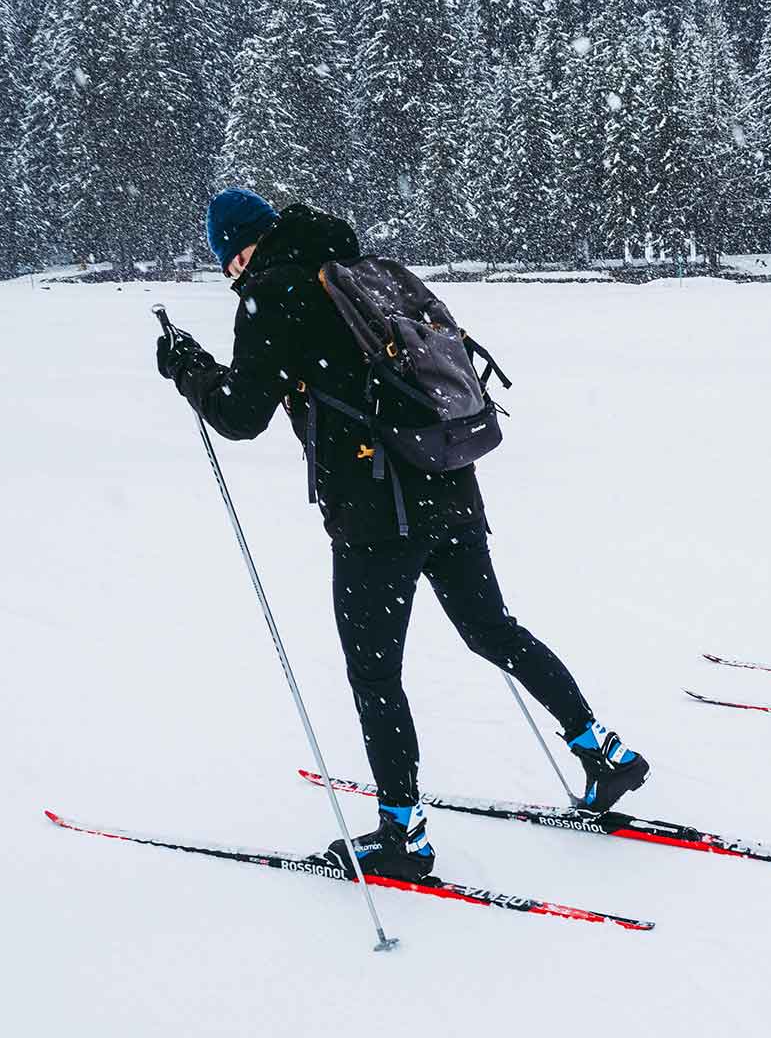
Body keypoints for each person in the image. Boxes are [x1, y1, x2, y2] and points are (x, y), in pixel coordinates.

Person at [155, 187, 649, 882]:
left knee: (374, 674)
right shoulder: (357, 268)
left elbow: (241, 415)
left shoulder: (274, 290)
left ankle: (402, 838)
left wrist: (188, 369)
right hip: (446, 475)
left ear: (237, 250)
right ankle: (603, 752)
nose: (231, 276)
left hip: (374, 510)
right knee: (493, 629)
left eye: (225, 264)